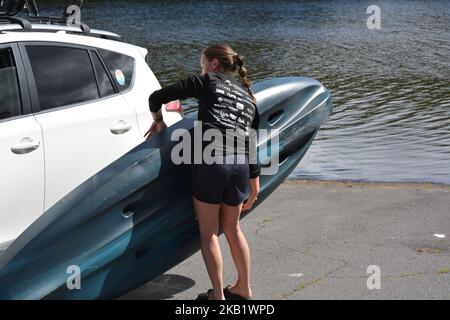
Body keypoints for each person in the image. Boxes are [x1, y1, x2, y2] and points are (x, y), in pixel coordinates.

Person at [145, 43, 260, 300]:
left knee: (209, 233)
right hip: (240, 167)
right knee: (233, 229)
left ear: (214, 64)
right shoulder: (248, 97)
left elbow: (156, 97)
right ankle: (244, 288)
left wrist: (159, 121)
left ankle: (217, 297)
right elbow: (251, 141)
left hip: (212, 162)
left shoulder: (206, 81)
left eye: (202, 64)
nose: (202, 68)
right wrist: (255, 182)